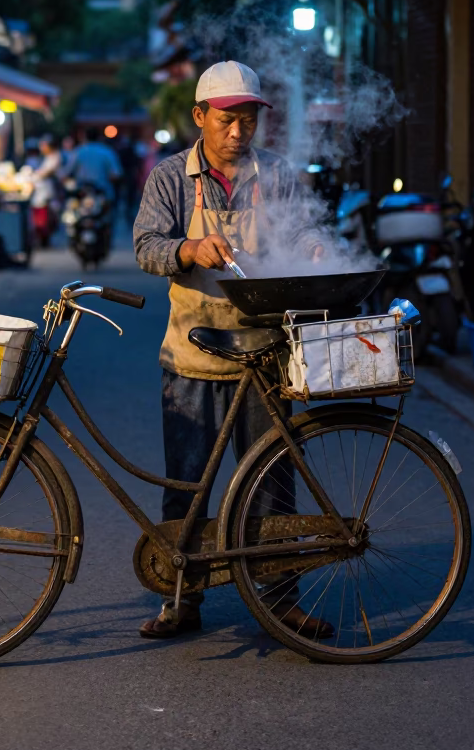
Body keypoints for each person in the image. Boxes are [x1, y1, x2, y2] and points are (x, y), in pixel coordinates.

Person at [133, 60, 332, 641]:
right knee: (188, 485)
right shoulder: (171, 178)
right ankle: (182, 598)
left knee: (273, 484)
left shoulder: (277, 173)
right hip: (191, 357)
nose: (239, 131)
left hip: (265, 355)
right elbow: (146, 247)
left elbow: (302, 231)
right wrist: (190, 248)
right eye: (228, 119)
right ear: (200, 118)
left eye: (248, 119)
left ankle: (280, 600)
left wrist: (315, 247)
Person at [67, 128, 122, 200]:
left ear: (85, 137)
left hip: (82, 192)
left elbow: (67, 171)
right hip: (103, 192)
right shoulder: (107, 151)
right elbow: (116, 174)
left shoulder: (78, 151)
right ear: (99, 137)